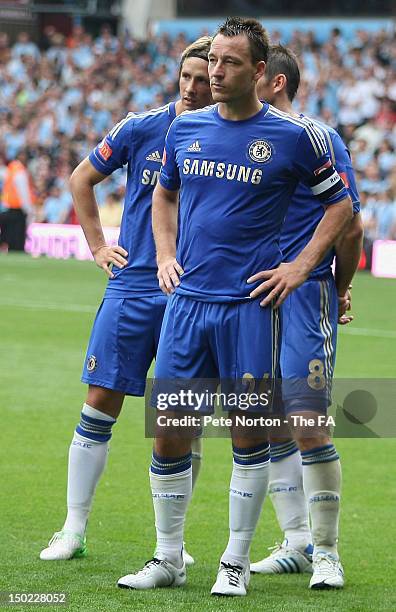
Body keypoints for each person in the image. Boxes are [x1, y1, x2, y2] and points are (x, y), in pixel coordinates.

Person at [117, 18, 352, 597]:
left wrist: (303, 268)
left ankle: (237, 561)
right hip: (188, 305)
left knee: (255, 432)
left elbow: (341, 208)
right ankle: (168, 556)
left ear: (260, 73)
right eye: (212, 61)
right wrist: (166, 253)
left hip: (249, 307)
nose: (214, 73)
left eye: (228, 64)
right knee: (170, 430)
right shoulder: (185, 129)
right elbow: (164, 192)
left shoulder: (296, 138)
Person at [39, 37, 213, 562]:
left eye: (202, 79)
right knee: (99, 403)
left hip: (195, 292)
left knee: (181, 420)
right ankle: (72, 529)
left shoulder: (229, 139)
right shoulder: (140, 127)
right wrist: (96, 245)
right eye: (185, 76)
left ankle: (173, 547)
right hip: (134, 284)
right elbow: (81, 179)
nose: (191, 87)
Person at [248, 45, 363, 589]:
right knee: (267, 421)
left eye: (250, 71)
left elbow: (351, 225)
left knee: (308, 422)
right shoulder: (236, 135)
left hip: (300, 296)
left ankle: (327, 551)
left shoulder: (318, 138)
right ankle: (296, 543)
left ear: (273, 82)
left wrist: (334, 289)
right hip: (247, 297)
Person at [0, 151, 36, 251]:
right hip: (18, 210)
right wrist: (29, 209)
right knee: (17, 241)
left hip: (8, 208)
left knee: (7, 238)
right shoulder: (20, 171)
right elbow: (23, 193)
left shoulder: (11, 169)